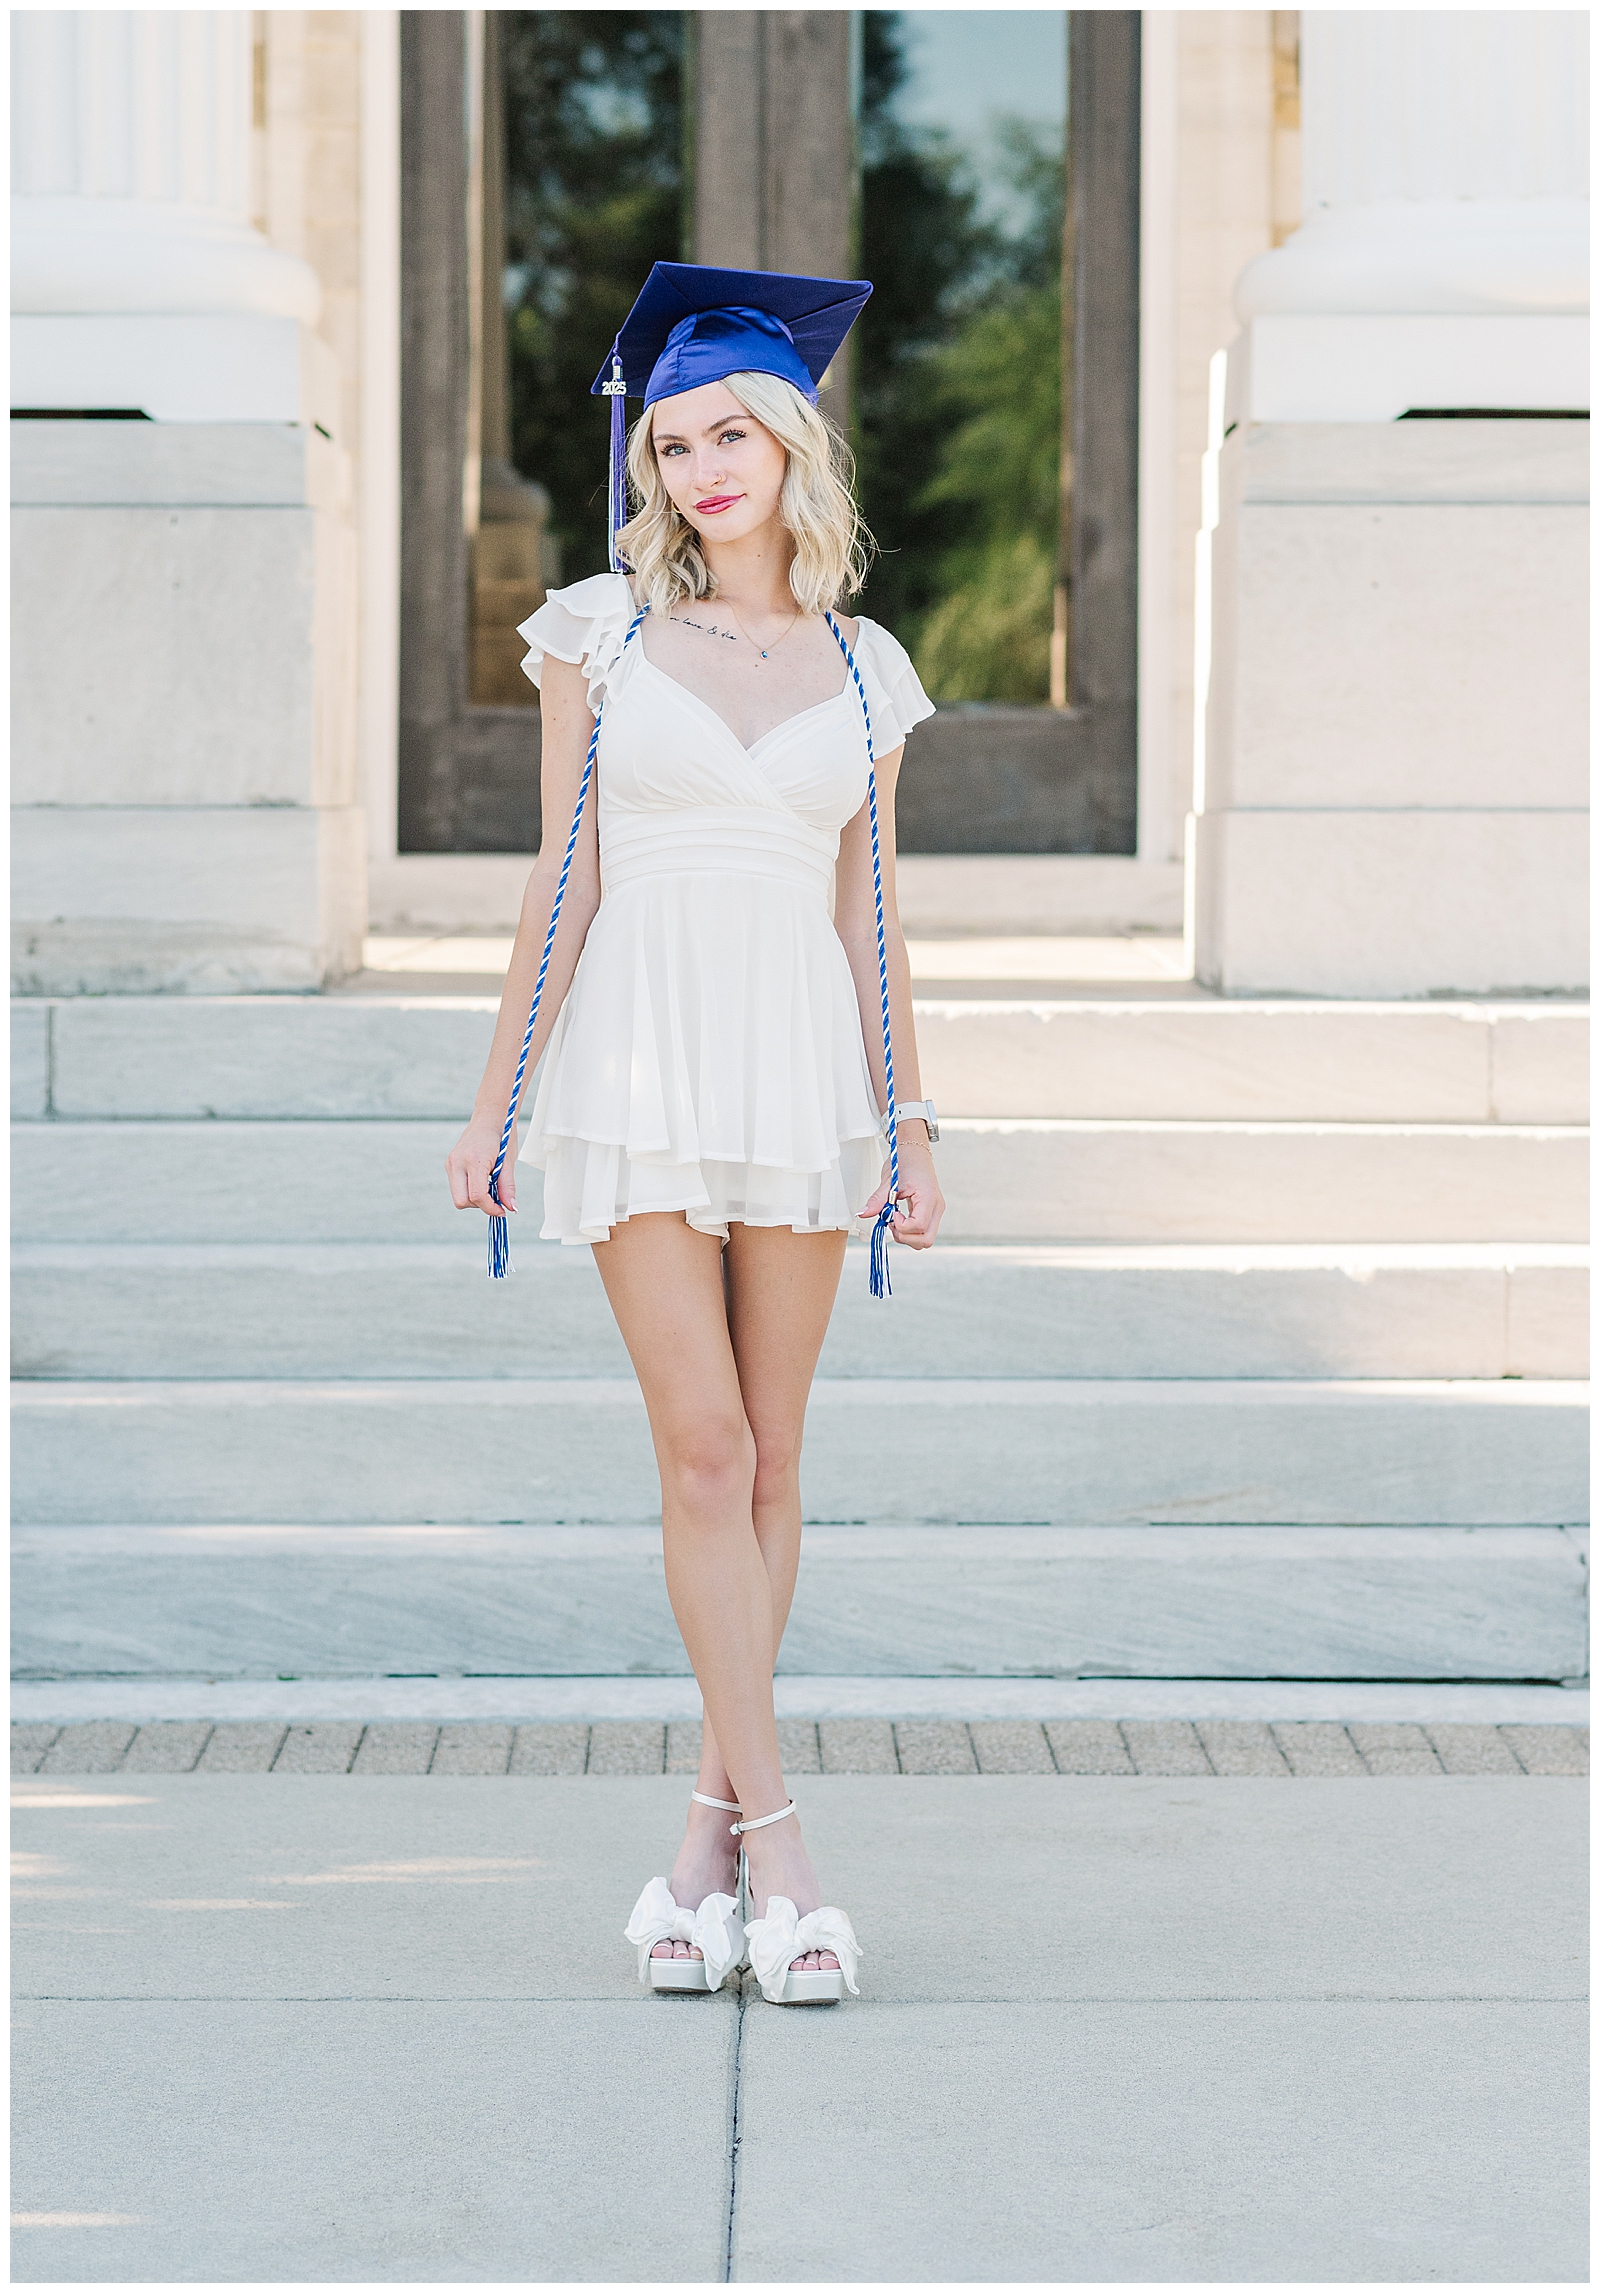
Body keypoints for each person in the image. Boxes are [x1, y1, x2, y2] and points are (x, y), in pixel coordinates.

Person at [446, 263, 944, 2005]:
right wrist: (500, 1088)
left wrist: (910, 1113)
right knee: (706, 1449)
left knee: (782, 1453)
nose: (699, 469)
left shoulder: (869, 670)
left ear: (792, 442)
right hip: (638, 1060)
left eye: (729, 432)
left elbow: (870, 909)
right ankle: (787, 1847)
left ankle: (695, 1851)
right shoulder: (599, 632)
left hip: (797, 1066)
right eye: (670, 444)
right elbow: (562, 874)